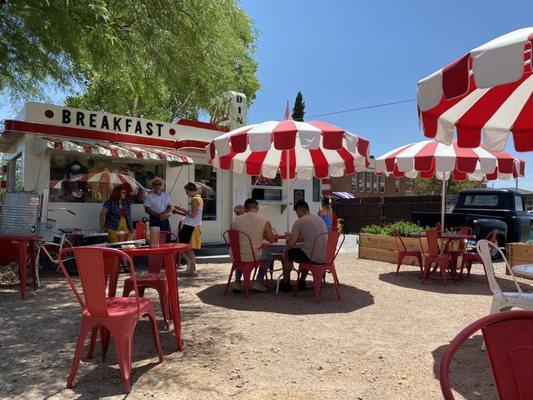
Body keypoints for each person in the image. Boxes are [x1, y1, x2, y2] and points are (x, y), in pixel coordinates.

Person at [279, 200, 327, 292]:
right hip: (324, 257)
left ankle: (286, 283)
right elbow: (310, 237)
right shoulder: (320, 220)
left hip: (310, 257)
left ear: (300, 210)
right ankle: (302, 281)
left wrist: (287, 237)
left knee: (287, 253)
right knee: (304, 250)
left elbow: (290, 244)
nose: (297, 214)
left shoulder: (299, 222)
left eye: (297, 212)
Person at [231, 198, 277, 292]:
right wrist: (263, 233)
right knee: (269, 256)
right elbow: (272, 240)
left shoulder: (235, 221)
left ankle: (237, 282)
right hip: (254, 255)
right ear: (257, 208)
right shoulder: (264, 221)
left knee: (239, 252)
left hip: (236, 255)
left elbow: (231, 239)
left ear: (244, 208)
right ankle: (258, 282)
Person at [174, 182, 203, 276]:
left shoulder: (195, 200)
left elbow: (192, 215)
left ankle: (190, 265)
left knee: (183, 247)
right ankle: (191, 268)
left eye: (187, 191)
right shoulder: (199, 199)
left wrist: (182, 210)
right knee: (188, 248)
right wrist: (180, 211)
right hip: (192, 225)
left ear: (192, 190)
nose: (186, 193)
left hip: (190, 226)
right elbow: (192, 214)